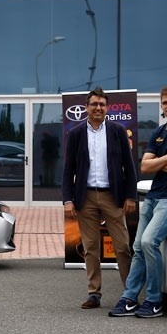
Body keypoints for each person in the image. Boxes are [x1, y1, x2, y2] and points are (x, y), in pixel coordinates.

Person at [109, 86, 167, 319]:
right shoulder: (159, 132)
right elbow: (144, 166)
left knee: (149, 242)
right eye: (165, 103)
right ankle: (129, 298)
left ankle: (153, 301)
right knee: (138, 246)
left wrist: (160, 162)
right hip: (153, 196)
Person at [61, 87, 138, 309]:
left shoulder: (117, 131)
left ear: (107, 108)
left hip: (112, 197)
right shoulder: (75, 134)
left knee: (123, 246)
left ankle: (129, 293)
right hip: (85, 197)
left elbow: (129, 167)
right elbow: (68, 170)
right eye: (94, 104)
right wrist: (68, 200)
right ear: (86, 107)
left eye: (102, 104)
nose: (98, 108)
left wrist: (130, 196)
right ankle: (94, 293)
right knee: (90, 247)